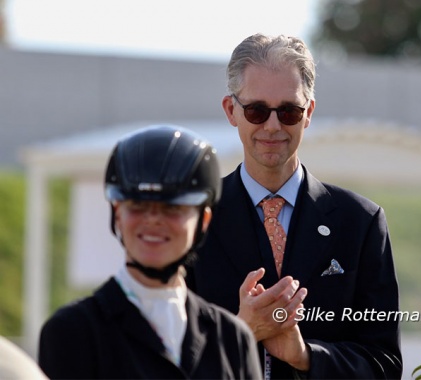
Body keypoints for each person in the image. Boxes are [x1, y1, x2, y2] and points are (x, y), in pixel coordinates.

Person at [186, 33, 403, 379]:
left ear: (308, 113)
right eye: (257, 110)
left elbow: (384, 365)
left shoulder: (360, 222)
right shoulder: (192, 220)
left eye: (288, 111)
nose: (272, 126)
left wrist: (305, 355)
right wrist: (242, 332)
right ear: (231, 110)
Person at [38, 125, 262, 379]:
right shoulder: (72, 331)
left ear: (204, 220)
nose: (153, 220)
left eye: (173, 208)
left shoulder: (232, 338)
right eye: (137, 205)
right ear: (117, 214)